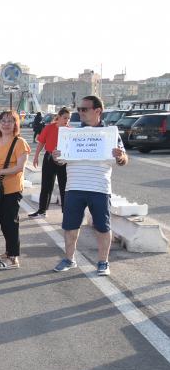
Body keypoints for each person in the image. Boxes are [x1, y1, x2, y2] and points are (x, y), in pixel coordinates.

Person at [52, 96, 127, 276]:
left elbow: (123, 159)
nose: (80, 112)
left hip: (99, 188)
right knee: (70, 226)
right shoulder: (72, 134)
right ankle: (69, 259)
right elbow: (61, 160)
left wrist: (120, 156)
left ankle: (103, 262)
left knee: (102, 227)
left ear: (98, 111)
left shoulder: (110, 134)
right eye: (79, 109)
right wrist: (57, 157)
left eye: (84, 109)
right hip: (74, 187)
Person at [0, 110, 30, 270]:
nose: (6, 124)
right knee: (4, 221)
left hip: (11, 189)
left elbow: (19, 167)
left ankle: (13, 257)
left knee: (10, 222)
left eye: (10, 121)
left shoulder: (19, 142)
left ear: (15, 124)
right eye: (3, 121)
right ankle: (8, 253)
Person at [28, 107, 71, 219]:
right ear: (59, 117)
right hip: (49, 158)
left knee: (64, 187)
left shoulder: (69, 131)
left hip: (63, 160)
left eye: (68, 118)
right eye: (65, 118)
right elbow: (41, 142)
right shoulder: (49, 128)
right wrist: (36, 156)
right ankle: (42, 211)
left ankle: (66, 213)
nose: (67, 120)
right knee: (46, 185)